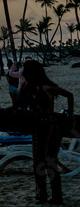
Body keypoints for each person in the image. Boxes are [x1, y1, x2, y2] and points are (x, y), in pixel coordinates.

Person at [20, 60, 75, 204]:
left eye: (25, 70)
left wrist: (70, 114)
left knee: (50, 162)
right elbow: (20, 106)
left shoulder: (47, 87)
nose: (23, 72)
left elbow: (70, 95)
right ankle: (41, 196)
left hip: (51, 128)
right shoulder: (28, 88)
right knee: (38, 162)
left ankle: (56, 197)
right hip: (38, 128)